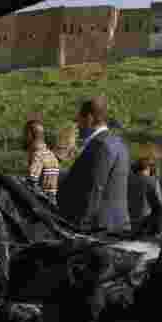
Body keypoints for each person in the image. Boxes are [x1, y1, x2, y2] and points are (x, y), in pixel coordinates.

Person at [58, 95, 131, 233]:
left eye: (79, 121)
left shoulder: (101, 145)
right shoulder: (119, 143)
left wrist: (81, 227)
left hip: (100, 230)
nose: (77, 126)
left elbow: (95, 188)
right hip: (117, 225)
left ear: (89, 118)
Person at [24, 119, 60, 203]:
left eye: (25, 134)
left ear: (29, 135)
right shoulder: (51, 155)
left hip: (41, 204)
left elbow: (31, 183)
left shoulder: (38, 155)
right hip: (51, 202)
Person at [128, 158, 162, 236]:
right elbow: (160, 204)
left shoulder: (129, 180)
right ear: (148, 168)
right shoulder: (152, 181)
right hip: (147, 224)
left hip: (131, 221)